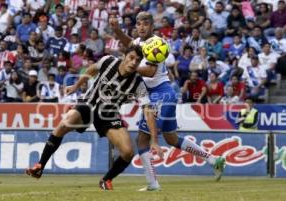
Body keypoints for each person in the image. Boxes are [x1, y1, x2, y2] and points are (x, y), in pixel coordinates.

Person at [110, 11, 225, 191]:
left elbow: (150, 71)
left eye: (145, 24)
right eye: (138, 24)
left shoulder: (157, 44)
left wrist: (128, 66)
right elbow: (130, 44)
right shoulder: (140, 43)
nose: (141, 27)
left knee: (141, 140)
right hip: (164, 94)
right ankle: (213, 160)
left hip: (159, 94)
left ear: (152, 26)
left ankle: (153, 184)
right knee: (171, 139)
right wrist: (117, 30)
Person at [25, 45, 162, 190]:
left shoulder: (138, 83)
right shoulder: (108, 61)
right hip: (89, 104)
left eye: (138, 60)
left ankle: (106, 180)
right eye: (131, 58)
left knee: (128, 152)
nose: (134, 62)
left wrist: (154, 140)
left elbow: (148, 110)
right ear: (124, 57)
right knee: (64, 124)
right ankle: (40, 165)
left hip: (109, 115)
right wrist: (76, 86)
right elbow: (91, 70)